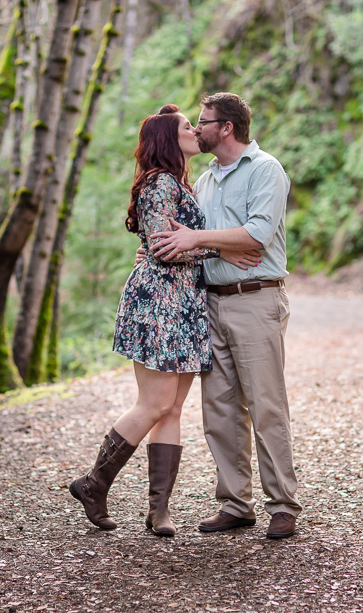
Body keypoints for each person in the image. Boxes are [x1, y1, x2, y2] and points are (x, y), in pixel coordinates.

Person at [69, 104, 260, 537]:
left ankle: (159, 511)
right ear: (167, 140)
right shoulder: (159, 183)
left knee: (173, 408)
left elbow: (176, 243)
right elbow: (163, 249)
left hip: (186, 306)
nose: (195, 130)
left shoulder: (180, 183)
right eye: (186, 126)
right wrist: (222, 249)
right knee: (153, 404)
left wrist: (205, 246)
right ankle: (94, 484)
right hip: (159, 304)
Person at [149, 92, 303, 539]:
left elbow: (257, 233)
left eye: (203, 121)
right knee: (219, 408)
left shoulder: (266, 170)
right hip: (209, 301)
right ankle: (236, 503)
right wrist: (174, 246)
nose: (196, 129)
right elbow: (197, 239)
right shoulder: (208, 178)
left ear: (227, 128)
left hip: (256, 299)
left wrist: (199, 238)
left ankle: (283, 505)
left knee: (266, 403)